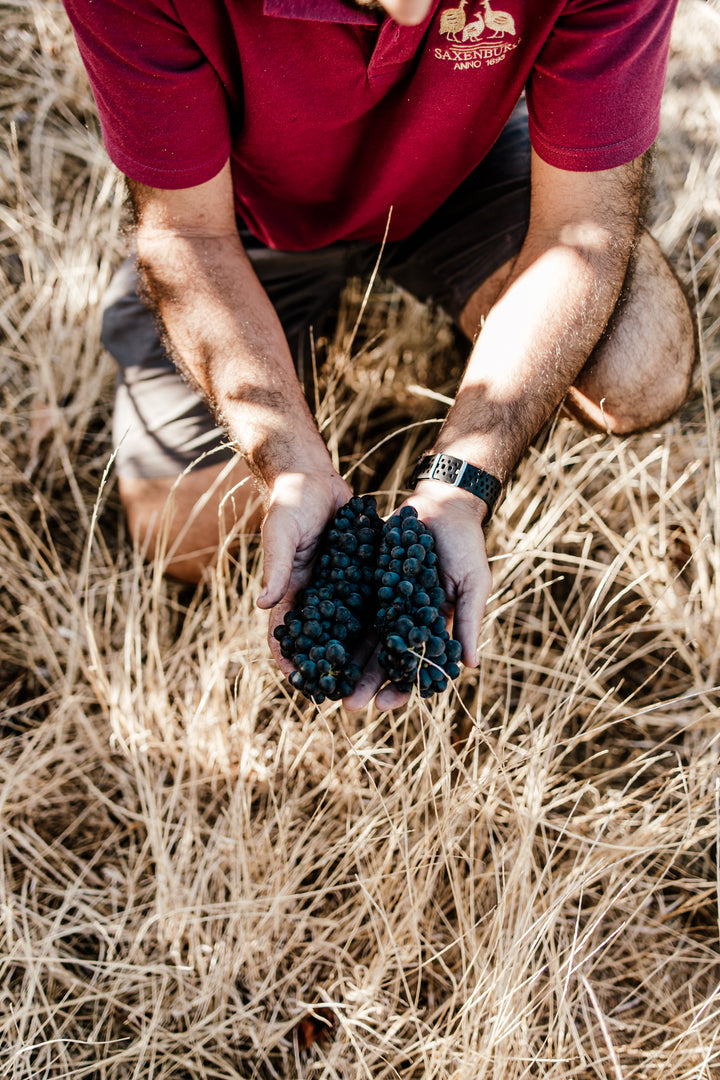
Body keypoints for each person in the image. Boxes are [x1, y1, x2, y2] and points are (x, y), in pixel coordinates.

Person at [63, 0, 695, 710]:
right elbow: (188, 237)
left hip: (457, 178)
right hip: (234, 218)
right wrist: (289, 464)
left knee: (636, 365)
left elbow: (581, 228)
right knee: (185, 536)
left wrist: (463, 483)